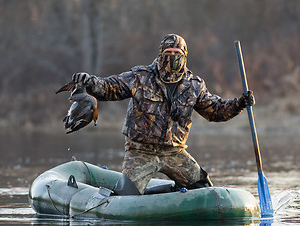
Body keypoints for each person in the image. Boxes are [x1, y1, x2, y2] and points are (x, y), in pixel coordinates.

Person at [71, 33, 254, 194]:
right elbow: (111, 88)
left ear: (184, 56)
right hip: (140, 151)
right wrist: (90, 82)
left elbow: (215, 111)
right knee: (126, 196)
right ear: (160, 53)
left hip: (175, 152)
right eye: (168, 53)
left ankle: (172, 193)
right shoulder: (141, 76)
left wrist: (239, 104)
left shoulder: (194, 85)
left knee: (203, 190)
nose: (172, 56)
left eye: (177, 53)